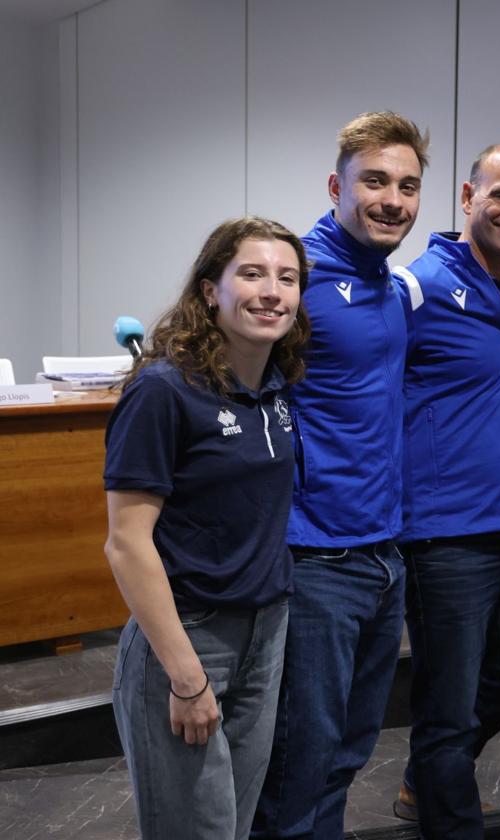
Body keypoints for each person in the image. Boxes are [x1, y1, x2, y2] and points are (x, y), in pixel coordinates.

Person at [253, 111, 429, 839]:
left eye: (408, 185)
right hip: (317, 560)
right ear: (336, 185)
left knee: (348, 751)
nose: (393, 199)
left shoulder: (391, 285)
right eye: (375, 182)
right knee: (302, 756)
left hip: (383, 553)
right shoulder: (299, 279)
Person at [104, 216, 310, 840]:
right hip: (189, 640)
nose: (271, 291)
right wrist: (186, 676)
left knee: (232, 828)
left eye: (287, 278)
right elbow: (126, 542)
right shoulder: (163, 392)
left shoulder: (275, 389)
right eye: (251, 274)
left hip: (265, 633)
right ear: (208, 291)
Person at [395, 143, 500, 839]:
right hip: (446, 537)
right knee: (447, 710)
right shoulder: (418, 286)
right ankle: (445, 804)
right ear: (466, 196)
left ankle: (430, 771)